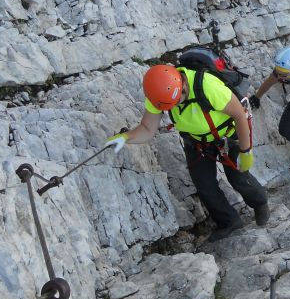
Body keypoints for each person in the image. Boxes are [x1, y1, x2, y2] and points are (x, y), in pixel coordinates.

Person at [104, 63, 269, 242]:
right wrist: (125, 137)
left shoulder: (207, 86)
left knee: (238, 177)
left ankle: (260, 203)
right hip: (196, 143)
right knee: (204, 185)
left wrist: (246, 150)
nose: (174, 108)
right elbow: (147, 128)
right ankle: (229, 221)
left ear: (182, 86)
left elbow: (239, 114)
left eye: (176, 102)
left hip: (227, 137)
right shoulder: (158, 95)